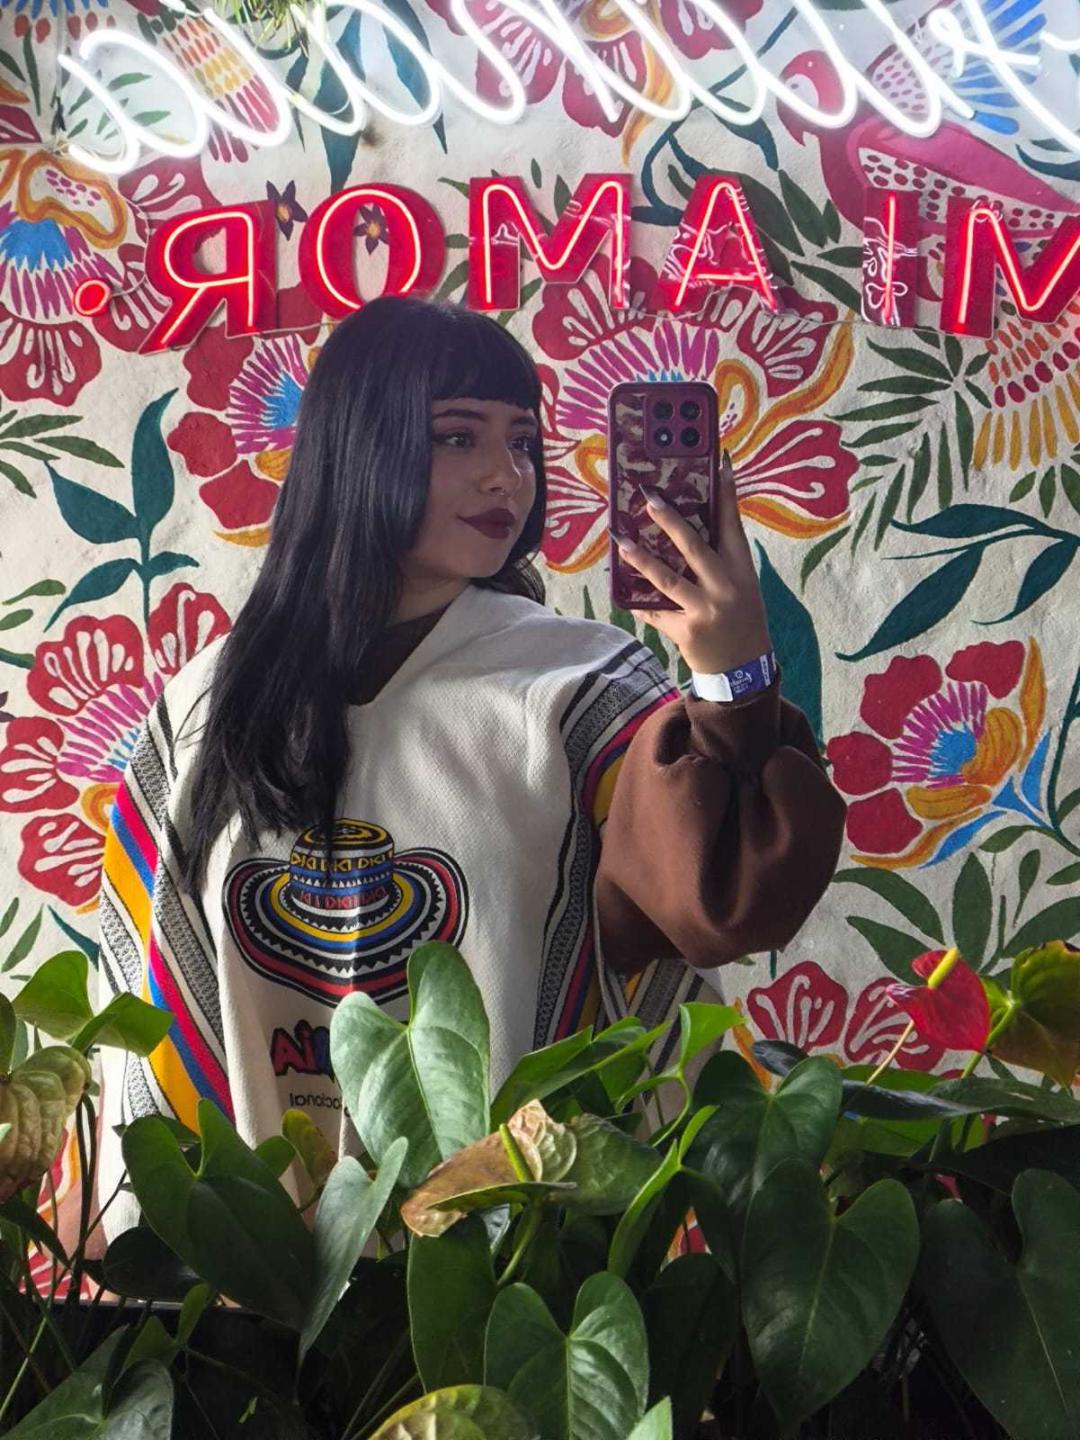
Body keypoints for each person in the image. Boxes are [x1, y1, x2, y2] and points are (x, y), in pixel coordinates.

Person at [96, 296, 846, 1226]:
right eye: (459, 437)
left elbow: (726, 902)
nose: (508, 476)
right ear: (354, 446)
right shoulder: (209, 707)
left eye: (523, 442)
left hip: (512, 1270)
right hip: (261, 1273)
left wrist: (732, 676)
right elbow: (152, 998)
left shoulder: (577, 690)